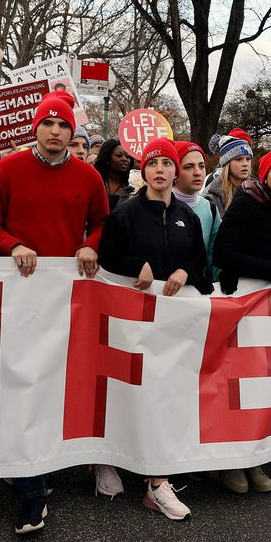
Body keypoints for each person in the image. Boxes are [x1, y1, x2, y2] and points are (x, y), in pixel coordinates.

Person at [0, 90, 107, 534]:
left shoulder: (88, 176)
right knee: (20, 380)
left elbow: (103, 222)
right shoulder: (7, 170)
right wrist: (13, 245)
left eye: (63, 125)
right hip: (17, 295)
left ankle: (38, 465)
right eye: (48, 123)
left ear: (72, 132)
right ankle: (31, 490)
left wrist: (90, 243)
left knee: (55, 381)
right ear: (36, 127)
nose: (55, 131)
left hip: (66, 298)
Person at [98, 138, 213, 520]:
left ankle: (157, 483)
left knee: (166, 395)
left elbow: (200, 263)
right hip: (131, 323)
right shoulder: (124, 213)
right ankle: (106, 459)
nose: (161, 170)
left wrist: (185, 271)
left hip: (173, 324)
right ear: (143, 170)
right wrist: (136, 265)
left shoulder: (189, 216)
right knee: (126, 394)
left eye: (168, 163)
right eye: (153, 164)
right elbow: (107, 257)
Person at [210, 148, 271, 493]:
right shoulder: (248, 202)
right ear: (265, 175)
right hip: (241, 305)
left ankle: (255, 458)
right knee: (235, 385)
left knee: (262, 385)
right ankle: (229, 462)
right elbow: (224, 253)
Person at [172, 141, 221, 276]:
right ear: (174, 172)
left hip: (197, 293)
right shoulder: (160, 206)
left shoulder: (211, 209)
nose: (198, 172)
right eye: (188, 167)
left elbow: (214, 258)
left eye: (202, 166)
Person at [203, 134, 253, 213]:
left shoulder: (257, 191)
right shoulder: (212, 197)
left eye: (248, 159)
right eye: (239, 159)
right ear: (227, 163)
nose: (245, 164)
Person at [94, 138, 134, 210]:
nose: (124, 159)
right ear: (107, 158)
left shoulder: (132, 184)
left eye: (128, 157)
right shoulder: (96, 181)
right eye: (119, 155)